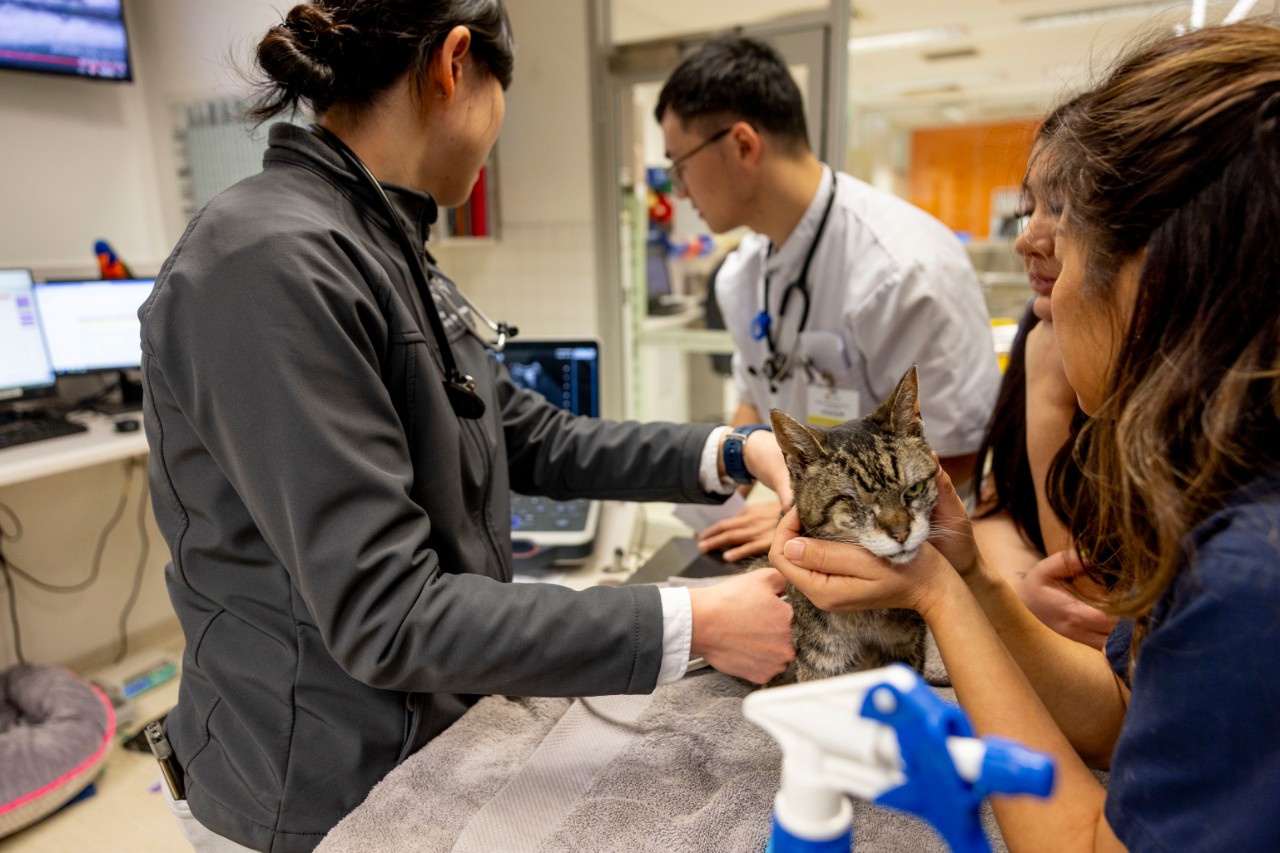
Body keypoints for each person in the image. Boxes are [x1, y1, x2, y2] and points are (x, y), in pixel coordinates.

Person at [139, 3, 796, 851]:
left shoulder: (384, 244)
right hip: (311, 796)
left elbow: (533, 437)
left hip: (423, 750)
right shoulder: (266, 262)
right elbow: (390, 612)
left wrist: (734, 448)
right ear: (455, 64)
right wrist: (692, 620)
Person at [772, 19, 1280, 850]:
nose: (1036, 262)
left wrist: (937, 593)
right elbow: (1126, 715)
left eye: (1065, 235)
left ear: (1153, 278)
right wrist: (969, 577)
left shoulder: (1249, 572)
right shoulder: (1226, 482)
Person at [654, 37, 1001, 562]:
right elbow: (755, 395)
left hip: (912, 552)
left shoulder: (905, 268)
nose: (679, 190)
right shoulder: (741, 275)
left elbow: (961, 452)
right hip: (820, 536)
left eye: (679, 166)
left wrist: (801, 515)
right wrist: (724, 513)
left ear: (742, 145)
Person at [970, 106, 1116, 649]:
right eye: (1029, 208)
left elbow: (1097, 615)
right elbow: (998, 504)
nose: (1026, 239)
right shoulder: (1042, 324)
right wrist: (1020, 588)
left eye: (1059, 208)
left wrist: (1050, 401)